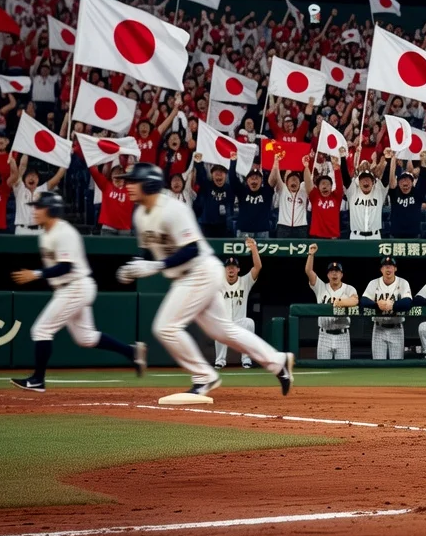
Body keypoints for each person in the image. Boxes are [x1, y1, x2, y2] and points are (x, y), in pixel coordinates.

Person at [115, 162, 294, 398]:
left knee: (165, 327)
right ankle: (277, 361)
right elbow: (148, 250)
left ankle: (203, 376)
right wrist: (134, 265)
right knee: (223, 330)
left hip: (200, 271)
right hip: (186, 276)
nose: (128, 186)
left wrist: (154, 266)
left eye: (133, 181)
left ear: (148, 184)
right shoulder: (140, 215)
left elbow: (191, 250)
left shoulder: (172, 209)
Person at [8, 193, 147, 392]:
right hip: (69, 288)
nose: (34, 211)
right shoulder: (47, 233)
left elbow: (66, 267)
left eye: (39, 207)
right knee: (86, 338)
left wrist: (36, 274)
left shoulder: (64, 232)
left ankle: (38, 380)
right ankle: (132, 352)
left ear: (51, 210)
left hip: (75, 286)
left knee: (41, 330)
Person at [214, 240, 263, 369]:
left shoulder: (245, 281)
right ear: (224, 270)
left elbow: (257, 267)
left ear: (238, 269)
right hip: (224, 321)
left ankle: (246, 359)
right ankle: (220, 360)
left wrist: (254, 249)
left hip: (239, 321)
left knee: (249, 322)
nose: (231, 269)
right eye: (228, 267)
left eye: (233, 267)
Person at [304, 245, 356, 360]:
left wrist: (341, 302)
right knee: (322, 369)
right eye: (332, 271)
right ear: (327, 275)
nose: (334, 274)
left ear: (341, 274)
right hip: (324, 334)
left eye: (337, 271)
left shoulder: (349, 288)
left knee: (343, 371)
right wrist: (311, 254)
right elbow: (308, 271)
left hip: (343, 334)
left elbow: (355, 300)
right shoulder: (321, 287)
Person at [360, 256, 411, 360]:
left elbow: (408, 302)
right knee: (378, 366)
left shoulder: (403, 283)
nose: (388, 269)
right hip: (379, 328)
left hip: (397, 328)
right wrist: (377, 305)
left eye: (391, 266)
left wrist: (392, 305)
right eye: (385, 266)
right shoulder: (374, 283)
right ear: (381, 269)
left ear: (395, 269)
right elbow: (363, 300)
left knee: (396, 366)